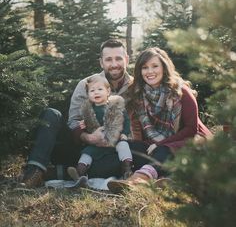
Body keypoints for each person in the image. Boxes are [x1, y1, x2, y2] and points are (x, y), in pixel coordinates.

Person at [20, 39, 133, 187]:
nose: (114, 64)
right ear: (101, 62)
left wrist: (120, 138)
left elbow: (137, 124)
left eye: (118, 58)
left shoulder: (135, 87)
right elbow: (73, 121)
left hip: (113, 151)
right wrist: (89, 137)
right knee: (51, 114)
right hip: (80, 148)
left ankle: (59, 173)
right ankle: (34, 172)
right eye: (108, 59)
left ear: (127, 59)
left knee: (126, 159)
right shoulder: (86, 84)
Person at [108, 47, 213, 193]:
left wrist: (160, 144)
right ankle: (167, 179)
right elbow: (138, 131)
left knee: (164, 150)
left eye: (155, 66)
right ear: (140, 71)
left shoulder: (180, 91)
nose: (150, 71)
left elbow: (191, 129)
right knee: (130, 148)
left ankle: (137, 180)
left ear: (164, 67)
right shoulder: (138, 94)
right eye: (145, 67)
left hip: (190, 142)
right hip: (156, 145)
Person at [67, 74, 133, 185]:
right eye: (92, 91)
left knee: (123, 146)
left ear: (108, 91)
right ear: (88, 94)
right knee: (87, 154)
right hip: (97, 143)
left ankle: (127, 169)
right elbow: (88, 126)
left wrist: (125, 133)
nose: (96, 92)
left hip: (115, 139)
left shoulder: (115, 107)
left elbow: (126, 120)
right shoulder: (88, 111)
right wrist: (83, 125)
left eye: (100, 89)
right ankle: (79, 173)